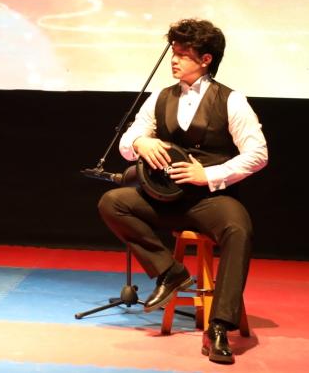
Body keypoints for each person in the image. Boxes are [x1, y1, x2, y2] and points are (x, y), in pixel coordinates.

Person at [97, 19, 268, 365]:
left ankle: (219, 327)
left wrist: (208, 174)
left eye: (183, 54)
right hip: (164, 199)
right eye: (173, 52)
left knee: (238, 229)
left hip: (210, 200)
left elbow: (258, 154)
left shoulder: (231, 100)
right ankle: (170, 272)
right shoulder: (161, 97)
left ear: (205, 59)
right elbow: (128, 142)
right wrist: (141, 142)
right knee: (113, 202)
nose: (174, 60)